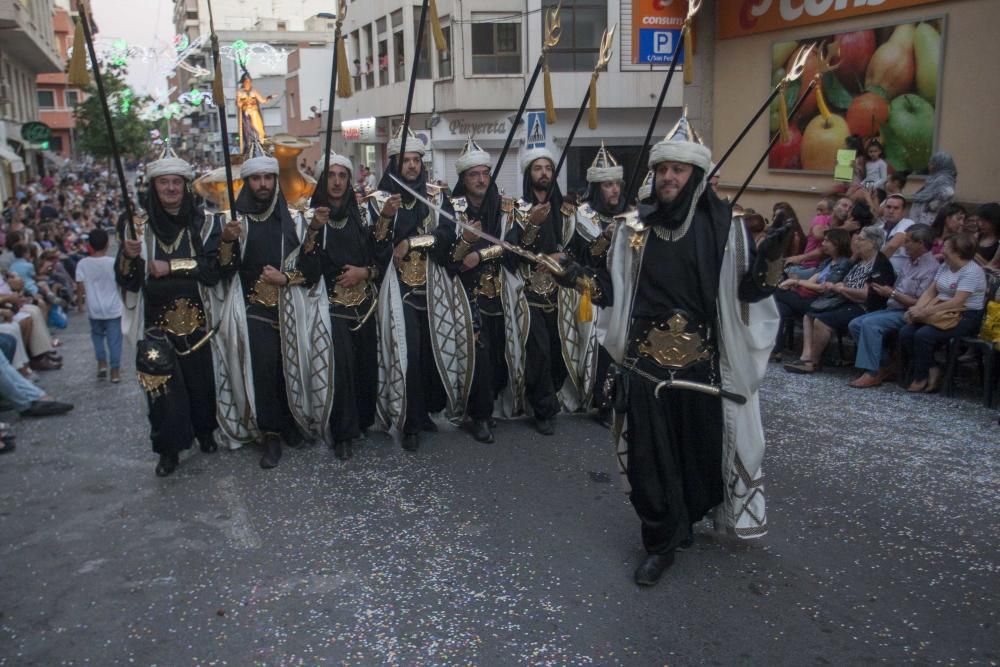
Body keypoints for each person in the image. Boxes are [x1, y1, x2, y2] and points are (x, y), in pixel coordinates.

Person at [557, 114, 789, 585]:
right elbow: (610, 291)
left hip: (703, 366)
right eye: (663, 170)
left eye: (679, 170)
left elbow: (748, 295)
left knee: (698, 454)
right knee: (649, 458)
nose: (668, 178)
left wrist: (773, 259)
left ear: (697, 176)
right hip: (644, 363)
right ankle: (659, 541)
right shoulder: (632, 228)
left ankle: (685, 517)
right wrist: (575, 276)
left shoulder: (728, 227)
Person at [213, 142, 333, 468]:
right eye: (257, 179)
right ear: (247, 183)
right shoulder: (234, 222)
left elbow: (311, 270)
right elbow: (221, 271)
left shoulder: (295, 220)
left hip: (291, 305)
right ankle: (271, 434)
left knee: (289, 367)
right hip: (253, 308)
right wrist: (226, 242)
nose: (263, 184)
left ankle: (292, 421)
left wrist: (288, 276)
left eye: (268, 178)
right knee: (263, 369)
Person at [116, 149, 230, 477]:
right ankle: (168, 450)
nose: (170, 189)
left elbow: (213, 268)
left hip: (198, 320)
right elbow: (129, 280)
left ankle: (205, 432)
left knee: (201, 383)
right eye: (163, 183)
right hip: (155, 324)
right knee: (160, 389)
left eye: (176, 183)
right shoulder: (134, 225)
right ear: (154, 187)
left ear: (185, 186)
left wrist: (173, 266)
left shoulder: (205, 221)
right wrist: (127, 257)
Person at [369, 126, 474, 451]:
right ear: (394, 164)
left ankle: (427, 411)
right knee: (408, 353)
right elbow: (375, 247)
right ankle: (409, 421)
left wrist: (413, 240)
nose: (413, 166)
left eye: (416, 160)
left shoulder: (436, 196)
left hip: (434, 286)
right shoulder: (378, 199)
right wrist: (386, 219)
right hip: (397, 289)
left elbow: (446, 236)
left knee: (432, 351)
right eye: (406, 161)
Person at [298, 153, 382, 459]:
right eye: (331, 175)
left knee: (364, 366)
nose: (336, 181)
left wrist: (364, 272)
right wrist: (314, 231)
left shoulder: (362, 215)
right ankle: (342, 432)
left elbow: (380, 258)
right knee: (342, 368)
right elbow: (306, 270)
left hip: (365, 305)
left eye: (342, 175)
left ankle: (361, 422)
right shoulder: (308, 217)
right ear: (322, 180)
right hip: (330, 306)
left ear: (349, 180)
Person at [561, 143, 631, 423]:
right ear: (595, 187)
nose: (614, 190)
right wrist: (608, 236)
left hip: (622, 290)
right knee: (596, 347)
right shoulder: (583, 215)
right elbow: (586, 253)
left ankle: (620, 397)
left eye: (616, 184)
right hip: (590, 291)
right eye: (607, 185)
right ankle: (599, 400)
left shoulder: (629, 214)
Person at [502, 147, 570, 435]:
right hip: (527, 291)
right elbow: (510, 254)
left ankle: (552, 396)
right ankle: (541, 408)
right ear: (529, 174)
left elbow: (576, 249)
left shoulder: (567, 210)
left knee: (558, 350)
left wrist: (560, 258)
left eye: (548, 168)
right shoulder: (516, 209)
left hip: (561, 291)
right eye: (537, 168)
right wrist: (532, 225)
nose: (543, 173)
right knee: (538, 350)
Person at [449, 137, 507, 443]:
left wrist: (481, 253)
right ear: (464, 178)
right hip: (467, 293)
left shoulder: (503, 207)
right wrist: (465, 244)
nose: (481, 179)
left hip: (501, 291)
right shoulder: (453, 210)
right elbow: (451, 257)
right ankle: (478, 415)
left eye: (485, 173)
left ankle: (491, 408)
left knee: (498, 354)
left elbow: (510, 247)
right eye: (474, 174)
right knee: (478, 356)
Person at [785, 225, 895, 374]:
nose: (856, 243)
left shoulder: (880, 265)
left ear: (872, 243)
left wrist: (842, 289)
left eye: (861, 239)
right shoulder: (860, 262)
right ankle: (807, 357)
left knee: (822, 321)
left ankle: (813, 361)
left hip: (864, 307)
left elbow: (866, 295)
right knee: (810, 314)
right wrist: (841, 287)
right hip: (846, 300)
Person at [848, 224, 940, 388]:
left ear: (921, 243)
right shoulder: (909, 262)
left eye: (908, 241)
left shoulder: (931, 268)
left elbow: (919, 303)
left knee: (870, 324)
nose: (904, 245)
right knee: (855, 324)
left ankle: (872, 373)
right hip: (892, 307)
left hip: (908, 312)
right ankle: (885, 364)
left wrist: (890, 293)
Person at [900, 233, 987, 393]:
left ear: (957, 252)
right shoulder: (945, 266)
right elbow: (931, 291)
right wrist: (916, 310)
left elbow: (958, 301)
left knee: (924, 335)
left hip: (964, 315)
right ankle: (932, 367)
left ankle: (921, 376)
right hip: (938, 310)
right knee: (906, 332)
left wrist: (924, 311)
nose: (942, 249)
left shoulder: (972, 271)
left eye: (946, 247)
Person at [772, 227, 854, 360]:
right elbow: (812, 281)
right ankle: (776, 350)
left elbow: (823, 288)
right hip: (811, 297)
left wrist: (795, 282)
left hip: (822, 302)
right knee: (781, 308)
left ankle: (776, 350)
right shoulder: (827, 262)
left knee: (775, 293)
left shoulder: (843, 264)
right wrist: (795, 284)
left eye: (827, 241)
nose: (823, 244)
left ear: (837, 243)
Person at [75, 228, 123, 382]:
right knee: (114, 339)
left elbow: (80, 286)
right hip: (113, 307)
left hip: (94, 307)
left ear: (89, 244)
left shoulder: (82, 263)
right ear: (107, 244)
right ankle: (115, 371)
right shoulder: (113, 262)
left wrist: (80, 304)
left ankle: (102, 363)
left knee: (97, 336)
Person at [908, 152, 957, 226]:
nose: (929, 165)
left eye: (932, 163)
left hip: (927, 220)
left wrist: (934, 205)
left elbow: (949, 192)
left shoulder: (943, 179)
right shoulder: (935, 178)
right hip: (921, 220)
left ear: (940, 164)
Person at [235, 72, 274, 153]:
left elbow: (262, 100)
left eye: (249, 82)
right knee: (249, 130)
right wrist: (243, 103)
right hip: (247, 114)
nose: (248, 84)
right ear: (243, 82)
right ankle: (250, 144)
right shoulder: (240, 92)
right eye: (246, 82)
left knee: (260, 129)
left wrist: (268, 98)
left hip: (254, 112)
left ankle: (262, 142)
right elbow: (238, 104)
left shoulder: (254, 91)